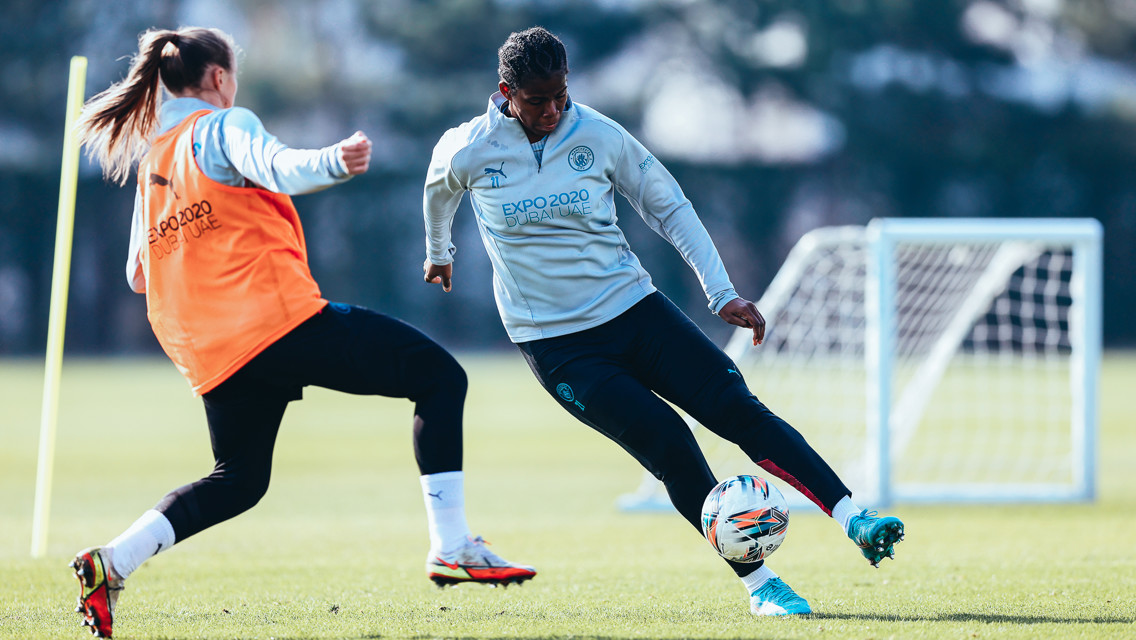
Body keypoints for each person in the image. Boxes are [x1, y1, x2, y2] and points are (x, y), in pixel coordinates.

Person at [422, 26, 904, 617]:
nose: (552, 110)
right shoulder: (468, 147)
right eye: (537, 100)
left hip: (634, 311)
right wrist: (439, 252)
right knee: (670, 444)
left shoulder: (597, 135)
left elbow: (669, 204)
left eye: (561, 95)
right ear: (506, 93)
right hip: (557, 345)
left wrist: (720, 291)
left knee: (735, 408)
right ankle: (761, 587)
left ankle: (855, 518)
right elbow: (437, 191)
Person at [71, 26, 534, 639]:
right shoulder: (221, 125)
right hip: (276, 322)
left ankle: (114, 560)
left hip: (215, 352)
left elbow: (137, 275)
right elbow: (279, 165)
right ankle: (452, 546)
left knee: (239, 479)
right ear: (217, 78)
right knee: (439, 376)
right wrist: (332, 161)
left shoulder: (154, 162)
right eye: (232, 77)